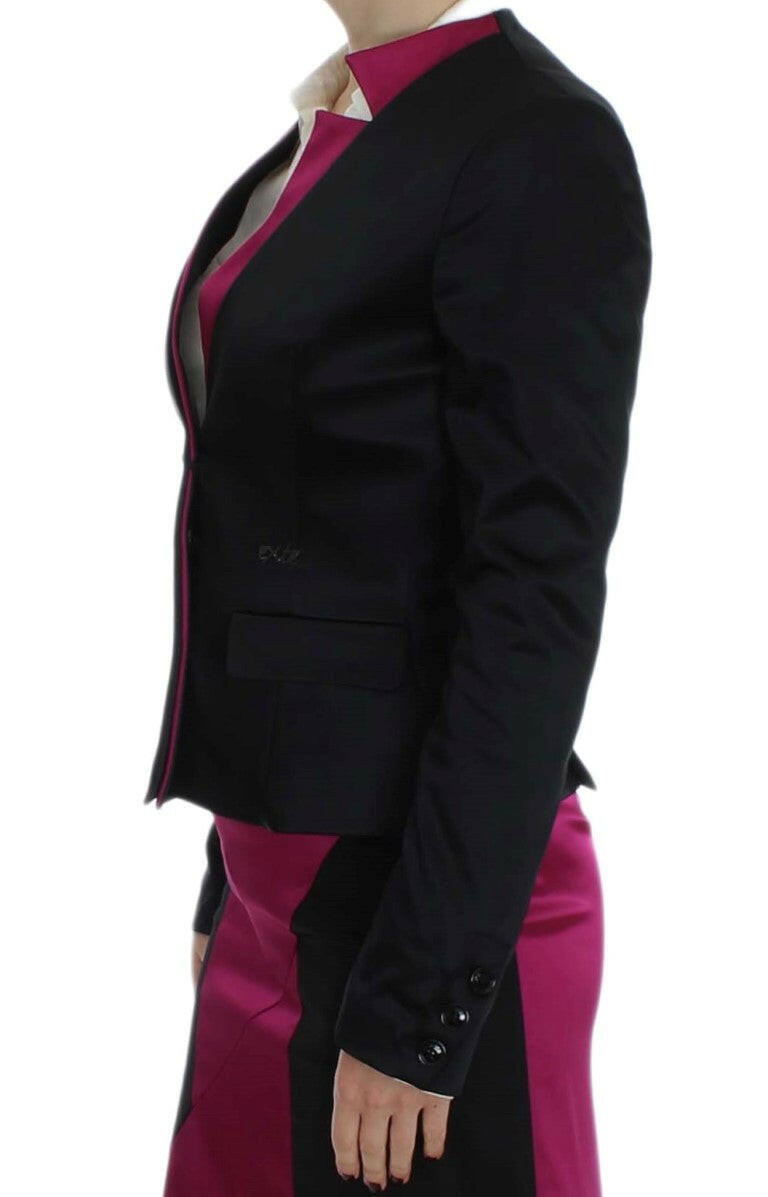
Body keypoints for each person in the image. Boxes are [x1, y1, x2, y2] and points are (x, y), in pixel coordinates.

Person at [145, 1, 652, 1192]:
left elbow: (533, 586)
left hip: (423, 905)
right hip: (281, 885)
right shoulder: (346, 116)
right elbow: (316, 534)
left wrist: (421, 1002)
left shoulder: (537, 139)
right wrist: (231, 862)